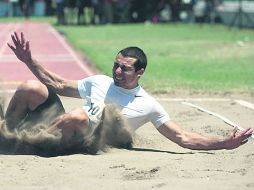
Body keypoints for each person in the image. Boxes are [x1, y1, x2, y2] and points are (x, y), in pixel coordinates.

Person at [6, 32, 253, 151]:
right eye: (116, 65)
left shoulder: (148, 105)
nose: (117, 71)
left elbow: (183, 137)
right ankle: (5, 135)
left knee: (79, 117)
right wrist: (29, 60)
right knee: (30, 88)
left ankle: (26, 145)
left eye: (124, 68)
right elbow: (57, 84)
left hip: (84, 141)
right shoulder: (99, 81)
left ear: (140, 72)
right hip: (65, 126)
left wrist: (224, 143)